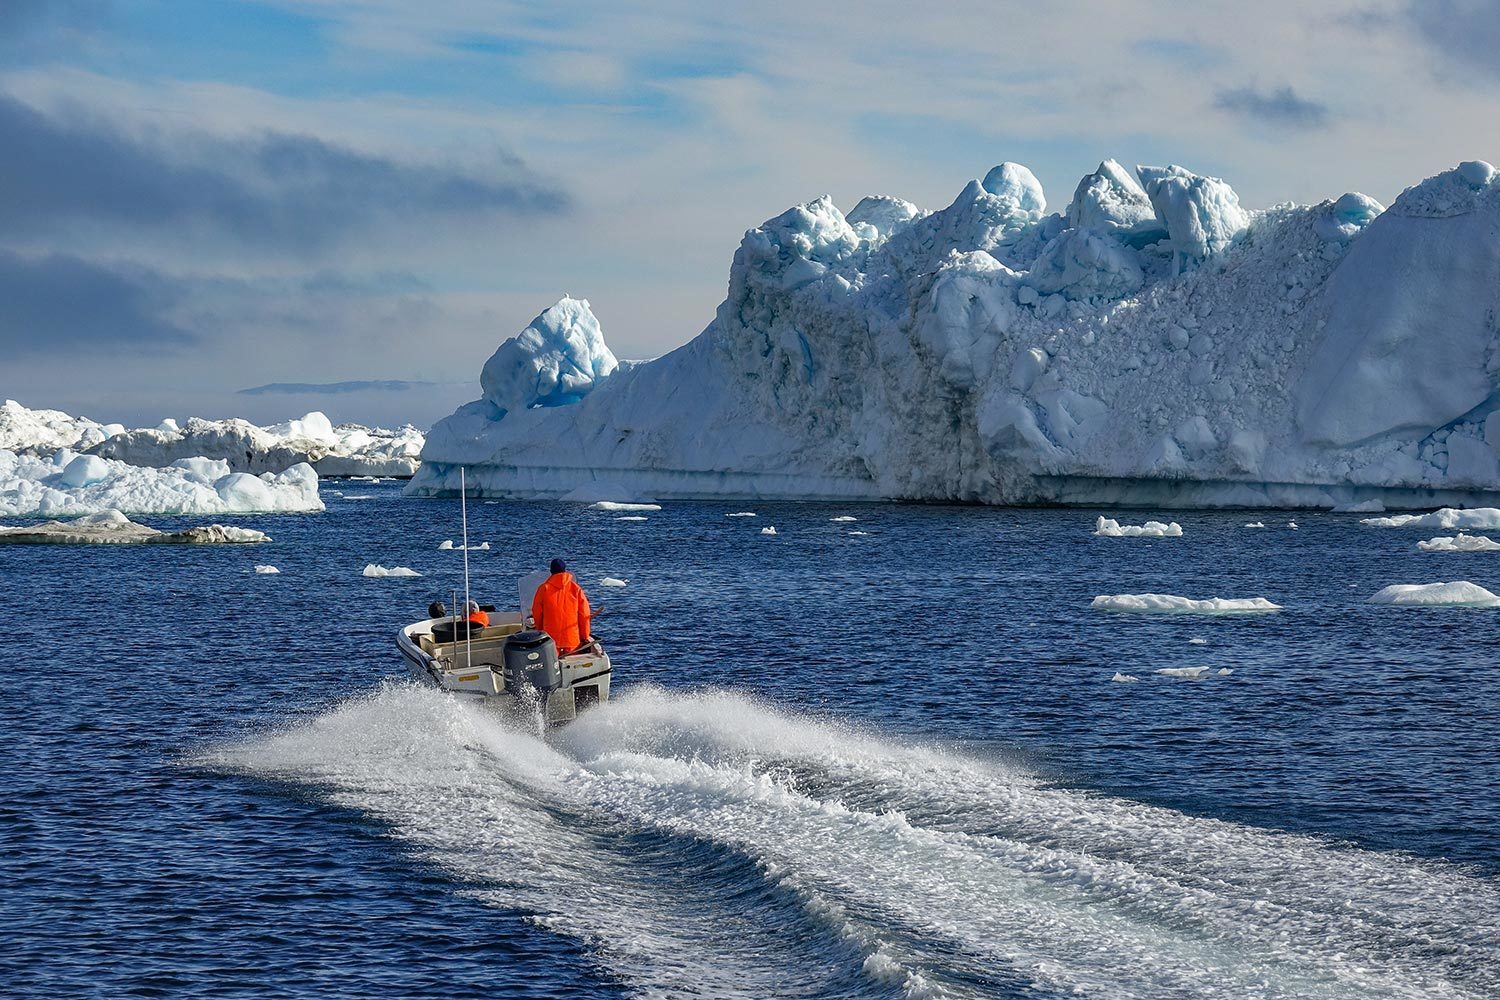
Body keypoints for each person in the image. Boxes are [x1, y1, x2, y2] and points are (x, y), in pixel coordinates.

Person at [531, 558, 591, 653]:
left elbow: (537, 613)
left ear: (551, 571)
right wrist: (585, 636)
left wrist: (540, 630)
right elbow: (584, 615)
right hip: (572, 640)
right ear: (565, 570)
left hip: (550, 641)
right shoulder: (576, 589)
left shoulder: (543, 589)